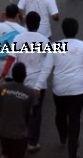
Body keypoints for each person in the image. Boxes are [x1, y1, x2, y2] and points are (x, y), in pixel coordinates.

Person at [42, 18, 83, 158]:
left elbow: (46, 68)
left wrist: (37, 85)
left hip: (59, 88)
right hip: (78, 88)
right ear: (76, 30)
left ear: (63, 31)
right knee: (75, 119)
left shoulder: (54, 46)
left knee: (60, 114)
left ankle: (63, 136)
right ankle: (73, 152)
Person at [9, 12, 53, 152]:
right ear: (39, 24)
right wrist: (39, 84)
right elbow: (48, 64)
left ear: (26, 23)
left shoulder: (18, 38)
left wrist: (9, 77)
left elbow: (11, 59)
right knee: (36, 111)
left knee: (21, 110)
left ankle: (20, 137)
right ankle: (32, 142)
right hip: (37, 82)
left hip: (21, 80)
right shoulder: (44, 40)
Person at [0, 62, 34, 158]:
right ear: (25, 76)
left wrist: (2, 112)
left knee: (5, 153)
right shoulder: (30, 92)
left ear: (13, 74)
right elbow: (34, 112)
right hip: (20, 135)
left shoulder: (3, 88)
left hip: (4, 132)